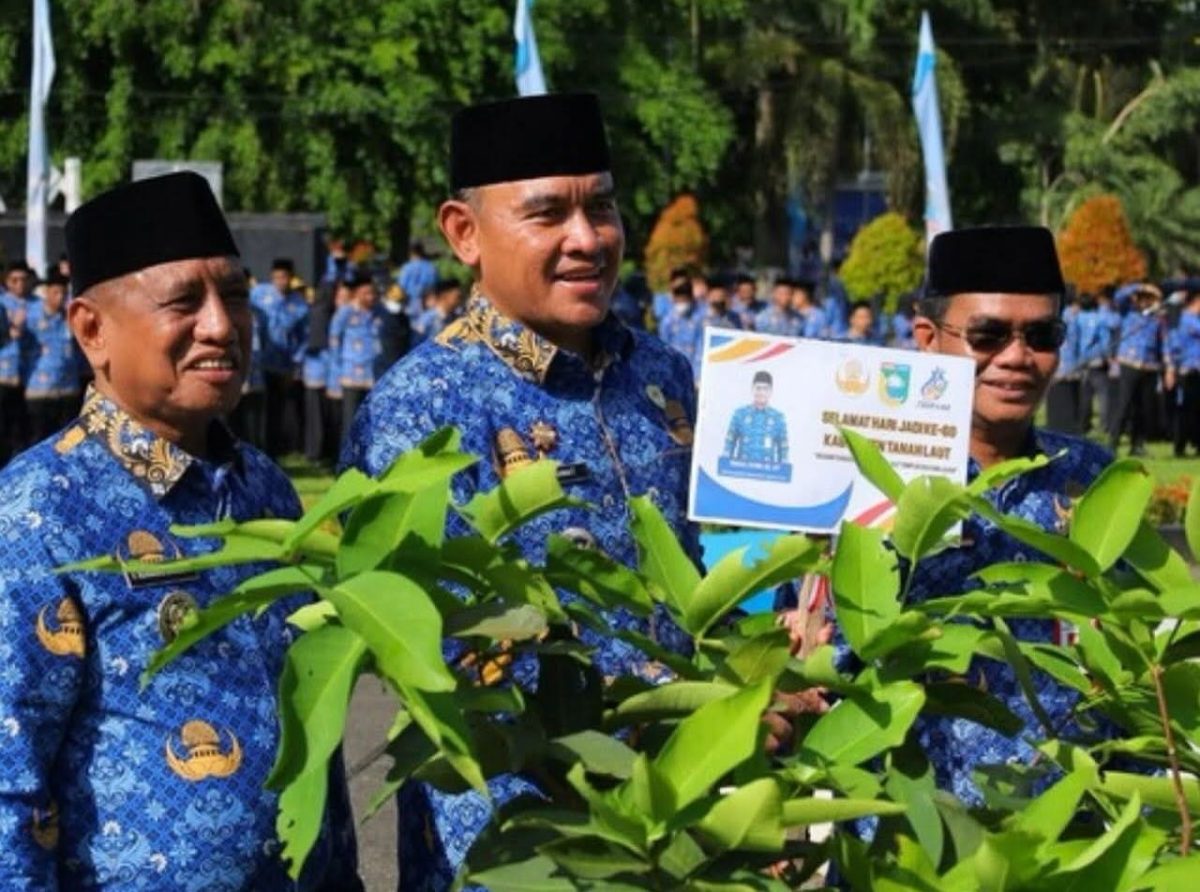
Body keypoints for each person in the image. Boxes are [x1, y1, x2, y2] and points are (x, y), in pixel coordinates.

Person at [339, 92, 701, 891]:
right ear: (464, 234)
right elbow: (428, 653)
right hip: (509, 839)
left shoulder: (663, 376)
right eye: (548, 215)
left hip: (677, 819)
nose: (587, 239)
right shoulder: (423, 407)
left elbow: (709, 565)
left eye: (601, 207)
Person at [0, 172, 360, 889]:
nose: (221, 325)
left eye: (232, 294)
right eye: (183, 301)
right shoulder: (37, 511)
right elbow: (8, 785)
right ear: (92, 330)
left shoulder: (266, 487)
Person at [905, 225, 1113, 804]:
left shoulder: (1092, 478)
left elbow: (1128, 651)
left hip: (1068, 828)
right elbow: (817, 645)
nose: (1017, 357)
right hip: (907, 833)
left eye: (1042, 335)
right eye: (987, 334)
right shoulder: (875, 482)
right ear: (928, 337)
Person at [253, 258, 308, 457]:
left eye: (284, 277)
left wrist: (296, 363)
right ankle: (257, 447)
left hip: (283, 364)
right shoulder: (259, 295)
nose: (280, 281)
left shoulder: (299, 304)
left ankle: (273, 452)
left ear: (291, 278)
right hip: (260, 362)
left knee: (278, 409)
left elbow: (303, 336)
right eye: (277, 277)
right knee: (258, 408)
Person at [329, 270, 385, 450]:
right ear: (356, 294)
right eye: (366, 293)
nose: (370, 297)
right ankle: (345, 462)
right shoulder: (345, 312)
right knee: (350, 422)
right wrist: (336, 375)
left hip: (372, 375)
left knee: (370, 421)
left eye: (372, 293)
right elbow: (334, 341)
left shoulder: (378, 312)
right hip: (350, 374)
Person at [23, 269, 82, 442]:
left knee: (66, 442)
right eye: (56, 292)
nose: (60, 297)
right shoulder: (31, 314)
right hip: (40, 389)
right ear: (47, 292)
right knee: (38, 440)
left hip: (68, 388)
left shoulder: (71, 316)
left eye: (64, 293)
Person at [1109, 283, 1166, 456]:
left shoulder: (1156, 319)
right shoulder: (1128, 313)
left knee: (1143, 408)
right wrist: (1139, 287)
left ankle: (1137, 445)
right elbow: (1119, 295)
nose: (1146, 302)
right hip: (1130, 363)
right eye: (1143, 298)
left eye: (1149, 299)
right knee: (1124, 405)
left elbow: (1162, 342)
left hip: (1149, 366)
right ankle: (1113, 444)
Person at [1, 259, 36, 463]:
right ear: (7, 282)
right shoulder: (2, 304)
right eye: (15, 280)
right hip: (4, 377)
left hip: (33, 379)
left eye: (23, 280)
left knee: (25, 433)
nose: (20, 285)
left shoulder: (38, 305)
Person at [724, 370, 788, 463]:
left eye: (765, 389)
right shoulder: (740, 414)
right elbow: (729, 444)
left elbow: (783, 450)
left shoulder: (778, 418)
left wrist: (783, 471)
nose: (761, 392)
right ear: (752, 389)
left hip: (768, 473)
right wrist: (726, 466)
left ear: (771, 391)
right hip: (741, 471)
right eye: (758, 388)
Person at [1166, 287, 1200, 457]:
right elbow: (1174, 347)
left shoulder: (1189, 319)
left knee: (1193, 411)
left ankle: (1193, 444)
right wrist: (1171, 369)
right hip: (1189, 372)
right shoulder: (1187, 321)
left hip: (1194, 371)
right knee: (1186, 410)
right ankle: (1180, 446)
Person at [396, 238, 438, 321]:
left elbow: (400, 288)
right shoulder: (431, 268)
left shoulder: (406, 268)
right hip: (428, 306)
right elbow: (436, 287)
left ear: (410, 252)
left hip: (410, 306)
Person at [413, 278, 464, 342]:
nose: (460, 301)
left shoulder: (455, 318)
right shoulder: (427, 320)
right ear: (444, 296)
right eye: (457, 297)